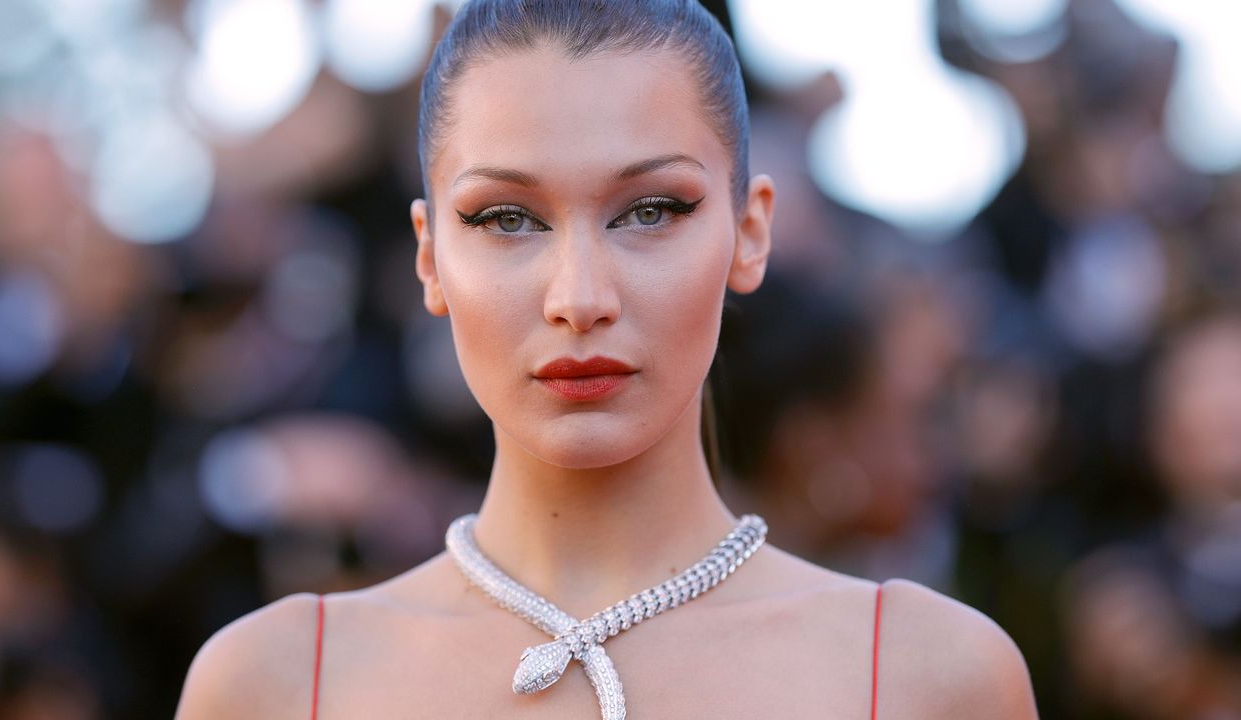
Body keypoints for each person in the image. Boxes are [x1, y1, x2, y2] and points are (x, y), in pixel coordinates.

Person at [174, 1, 1038, 717]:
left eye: (651, 209)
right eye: (506, 219)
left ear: (749, 232)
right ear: (430, 255)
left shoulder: (929, 675)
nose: (579, 296)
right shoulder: (274, 684)